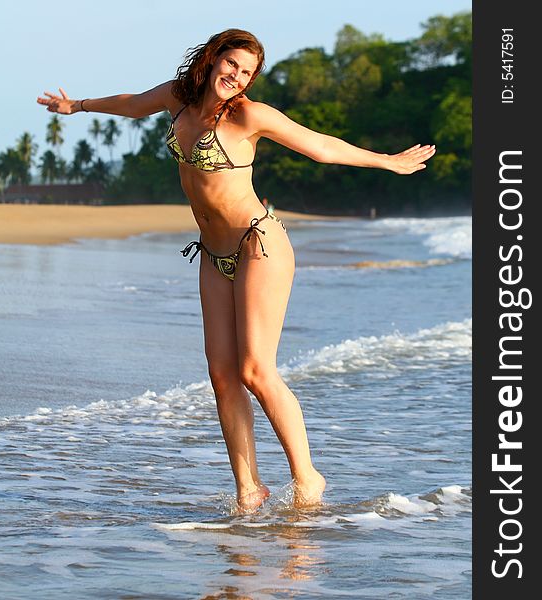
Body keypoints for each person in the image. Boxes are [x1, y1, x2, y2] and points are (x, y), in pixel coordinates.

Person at [37, 29, 436, 513]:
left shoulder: (249, 115)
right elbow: (133, 103)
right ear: (212, 59)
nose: (237, 76)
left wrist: (387, 162)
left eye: (247, 71)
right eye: (231, 64)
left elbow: (321, 147)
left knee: (254, 369)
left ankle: (308, 478)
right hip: (212, 252)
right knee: (223, 377)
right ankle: (249, 488)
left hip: (258, 245)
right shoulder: (178, 97)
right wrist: (77, 105)